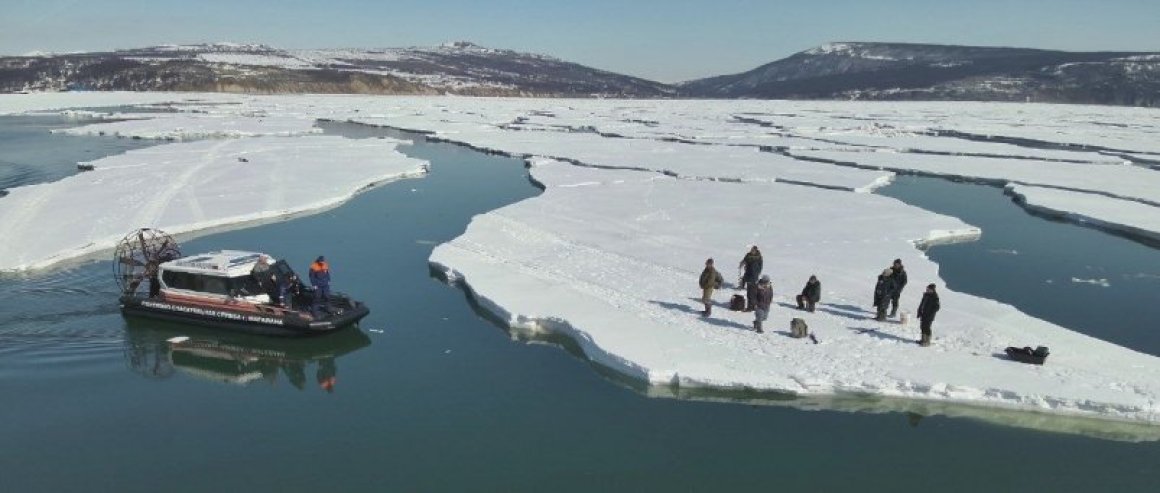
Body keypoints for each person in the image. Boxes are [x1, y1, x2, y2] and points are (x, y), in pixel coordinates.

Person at [738, 246, 763, 311]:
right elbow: (745, 259)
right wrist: (742, 263)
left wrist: (757, 273)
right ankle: (753, 306)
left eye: (753, 250)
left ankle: (750, 307)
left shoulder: (758, 257)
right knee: (751, 292)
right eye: (751, 250)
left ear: (756, 251)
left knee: (751, 294)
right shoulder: (748, 255)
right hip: (748, 274)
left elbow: (760, 266)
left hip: (753, 276)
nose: (752, 251)